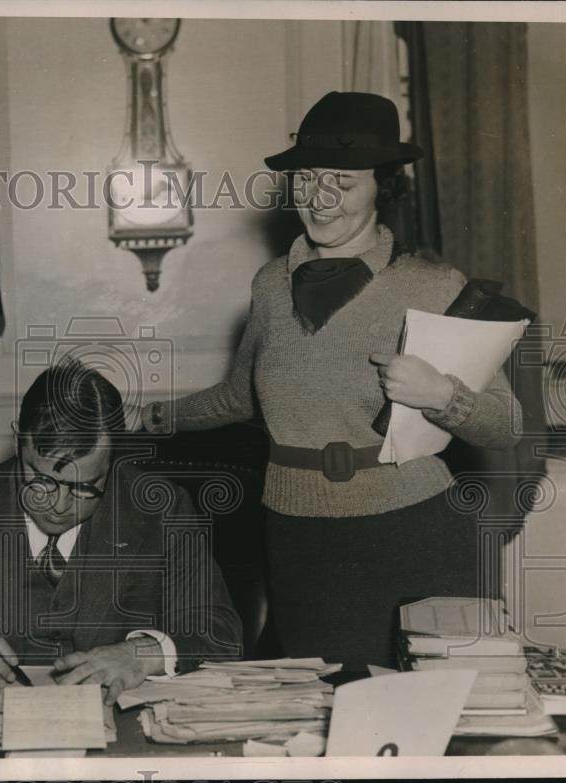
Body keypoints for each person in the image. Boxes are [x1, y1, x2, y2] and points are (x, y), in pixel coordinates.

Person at [139, 92, 523, 669]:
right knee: (322, 714)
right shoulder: (269, 285)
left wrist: (443, 396)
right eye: (307, 181)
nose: (320, 201)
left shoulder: (433, 285)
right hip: (300, 538)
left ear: (383, 187)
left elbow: (508, 425)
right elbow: (240, 395)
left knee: (432, 719)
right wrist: (152, 416)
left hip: (415, 530)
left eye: (342, 183)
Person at [0, 358, 242, 704]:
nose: (59, 505)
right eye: (41, 479)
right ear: (18, 442)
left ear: (113, 459)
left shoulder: (162, 510)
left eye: (84, 486)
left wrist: (142, 654)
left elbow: (219, 629)